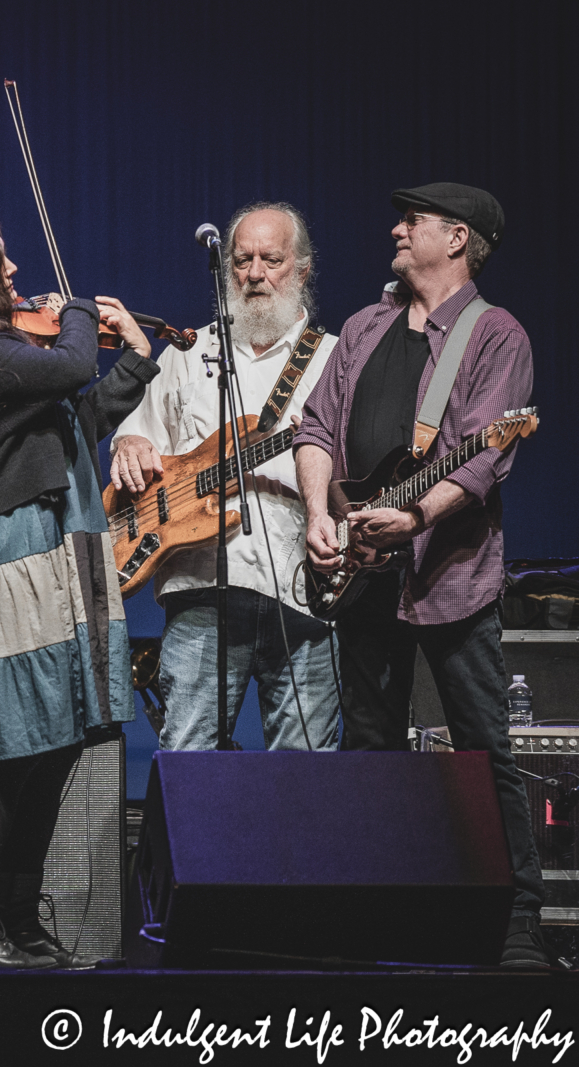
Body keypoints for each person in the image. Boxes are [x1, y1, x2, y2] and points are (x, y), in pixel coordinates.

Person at [294, 183, 546, 967]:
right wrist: (317, 516)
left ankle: (518, 924)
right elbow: (315, 429)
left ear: (458, 238)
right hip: (363, 573)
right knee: (366, 747)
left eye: (413, 221)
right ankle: (367, 920)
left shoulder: (495, 335)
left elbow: (489, 450)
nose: (396, 230)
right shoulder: (365, 326)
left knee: (482, 747)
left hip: (449, 575)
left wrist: (414, 515)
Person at [0, 213, 157, 968]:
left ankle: (15, 914)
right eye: (0, 262)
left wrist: (138, 360)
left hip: (65, 541)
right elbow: (72, 366)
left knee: (60, 743)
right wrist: (80, 310)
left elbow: (77, 418)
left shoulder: (5, 353)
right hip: (19, 552)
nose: (14, 273)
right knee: (19, 748)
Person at [111, 203, 340, 752]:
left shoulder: (336, 360)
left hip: (304, 592)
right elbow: (134, 436)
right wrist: (129, 442)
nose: (255, 273)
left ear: (302, 270)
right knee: (189, 762)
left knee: (305, 775)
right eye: (242, 260)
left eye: (272, 259)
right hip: (202, 589)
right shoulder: (189, 353)